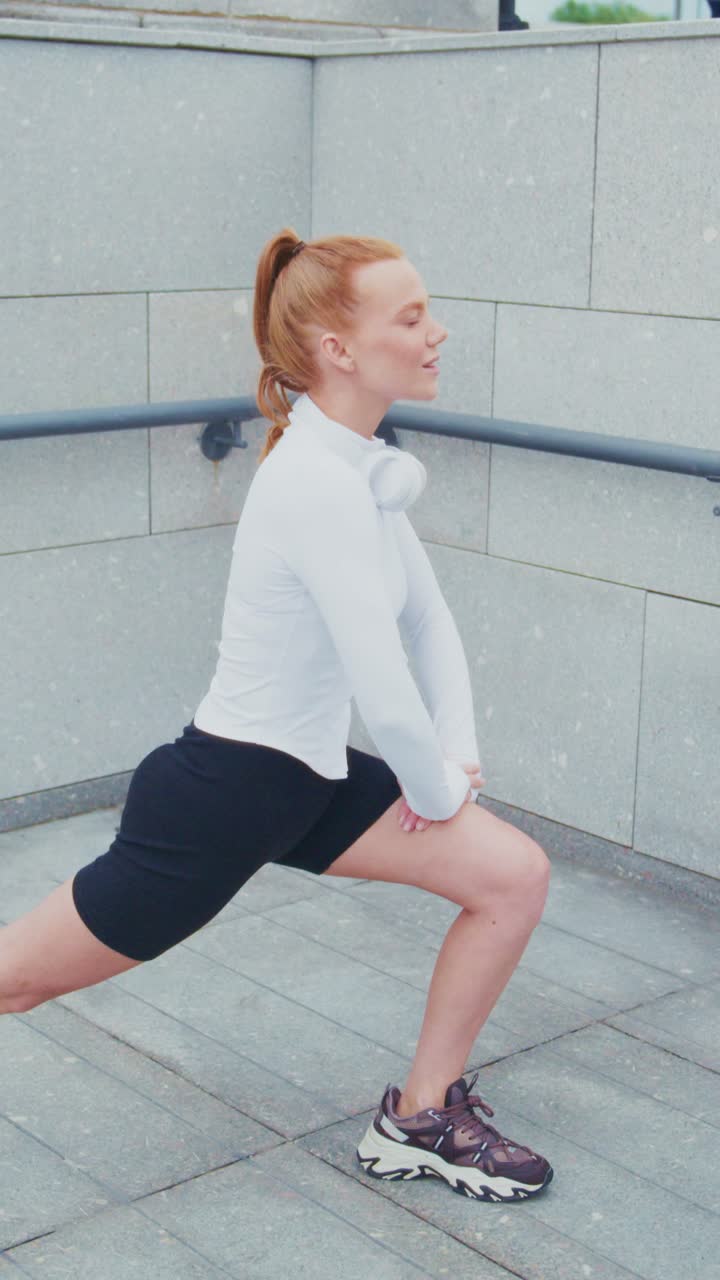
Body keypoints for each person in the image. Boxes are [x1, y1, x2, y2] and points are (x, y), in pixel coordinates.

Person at [0, 228, 553, 1204]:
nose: (437, 332)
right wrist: (432, 786)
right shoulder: (312, 484)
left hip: (307, 782)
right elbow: (380, 683)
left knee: (512, 875)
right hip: (224, 796)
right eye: (411, 317)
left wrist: (455, 760)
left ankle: (418, 1117)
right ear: (339, 348)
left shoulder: (363, 470)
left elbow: (429, 625)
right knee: (17, 980)